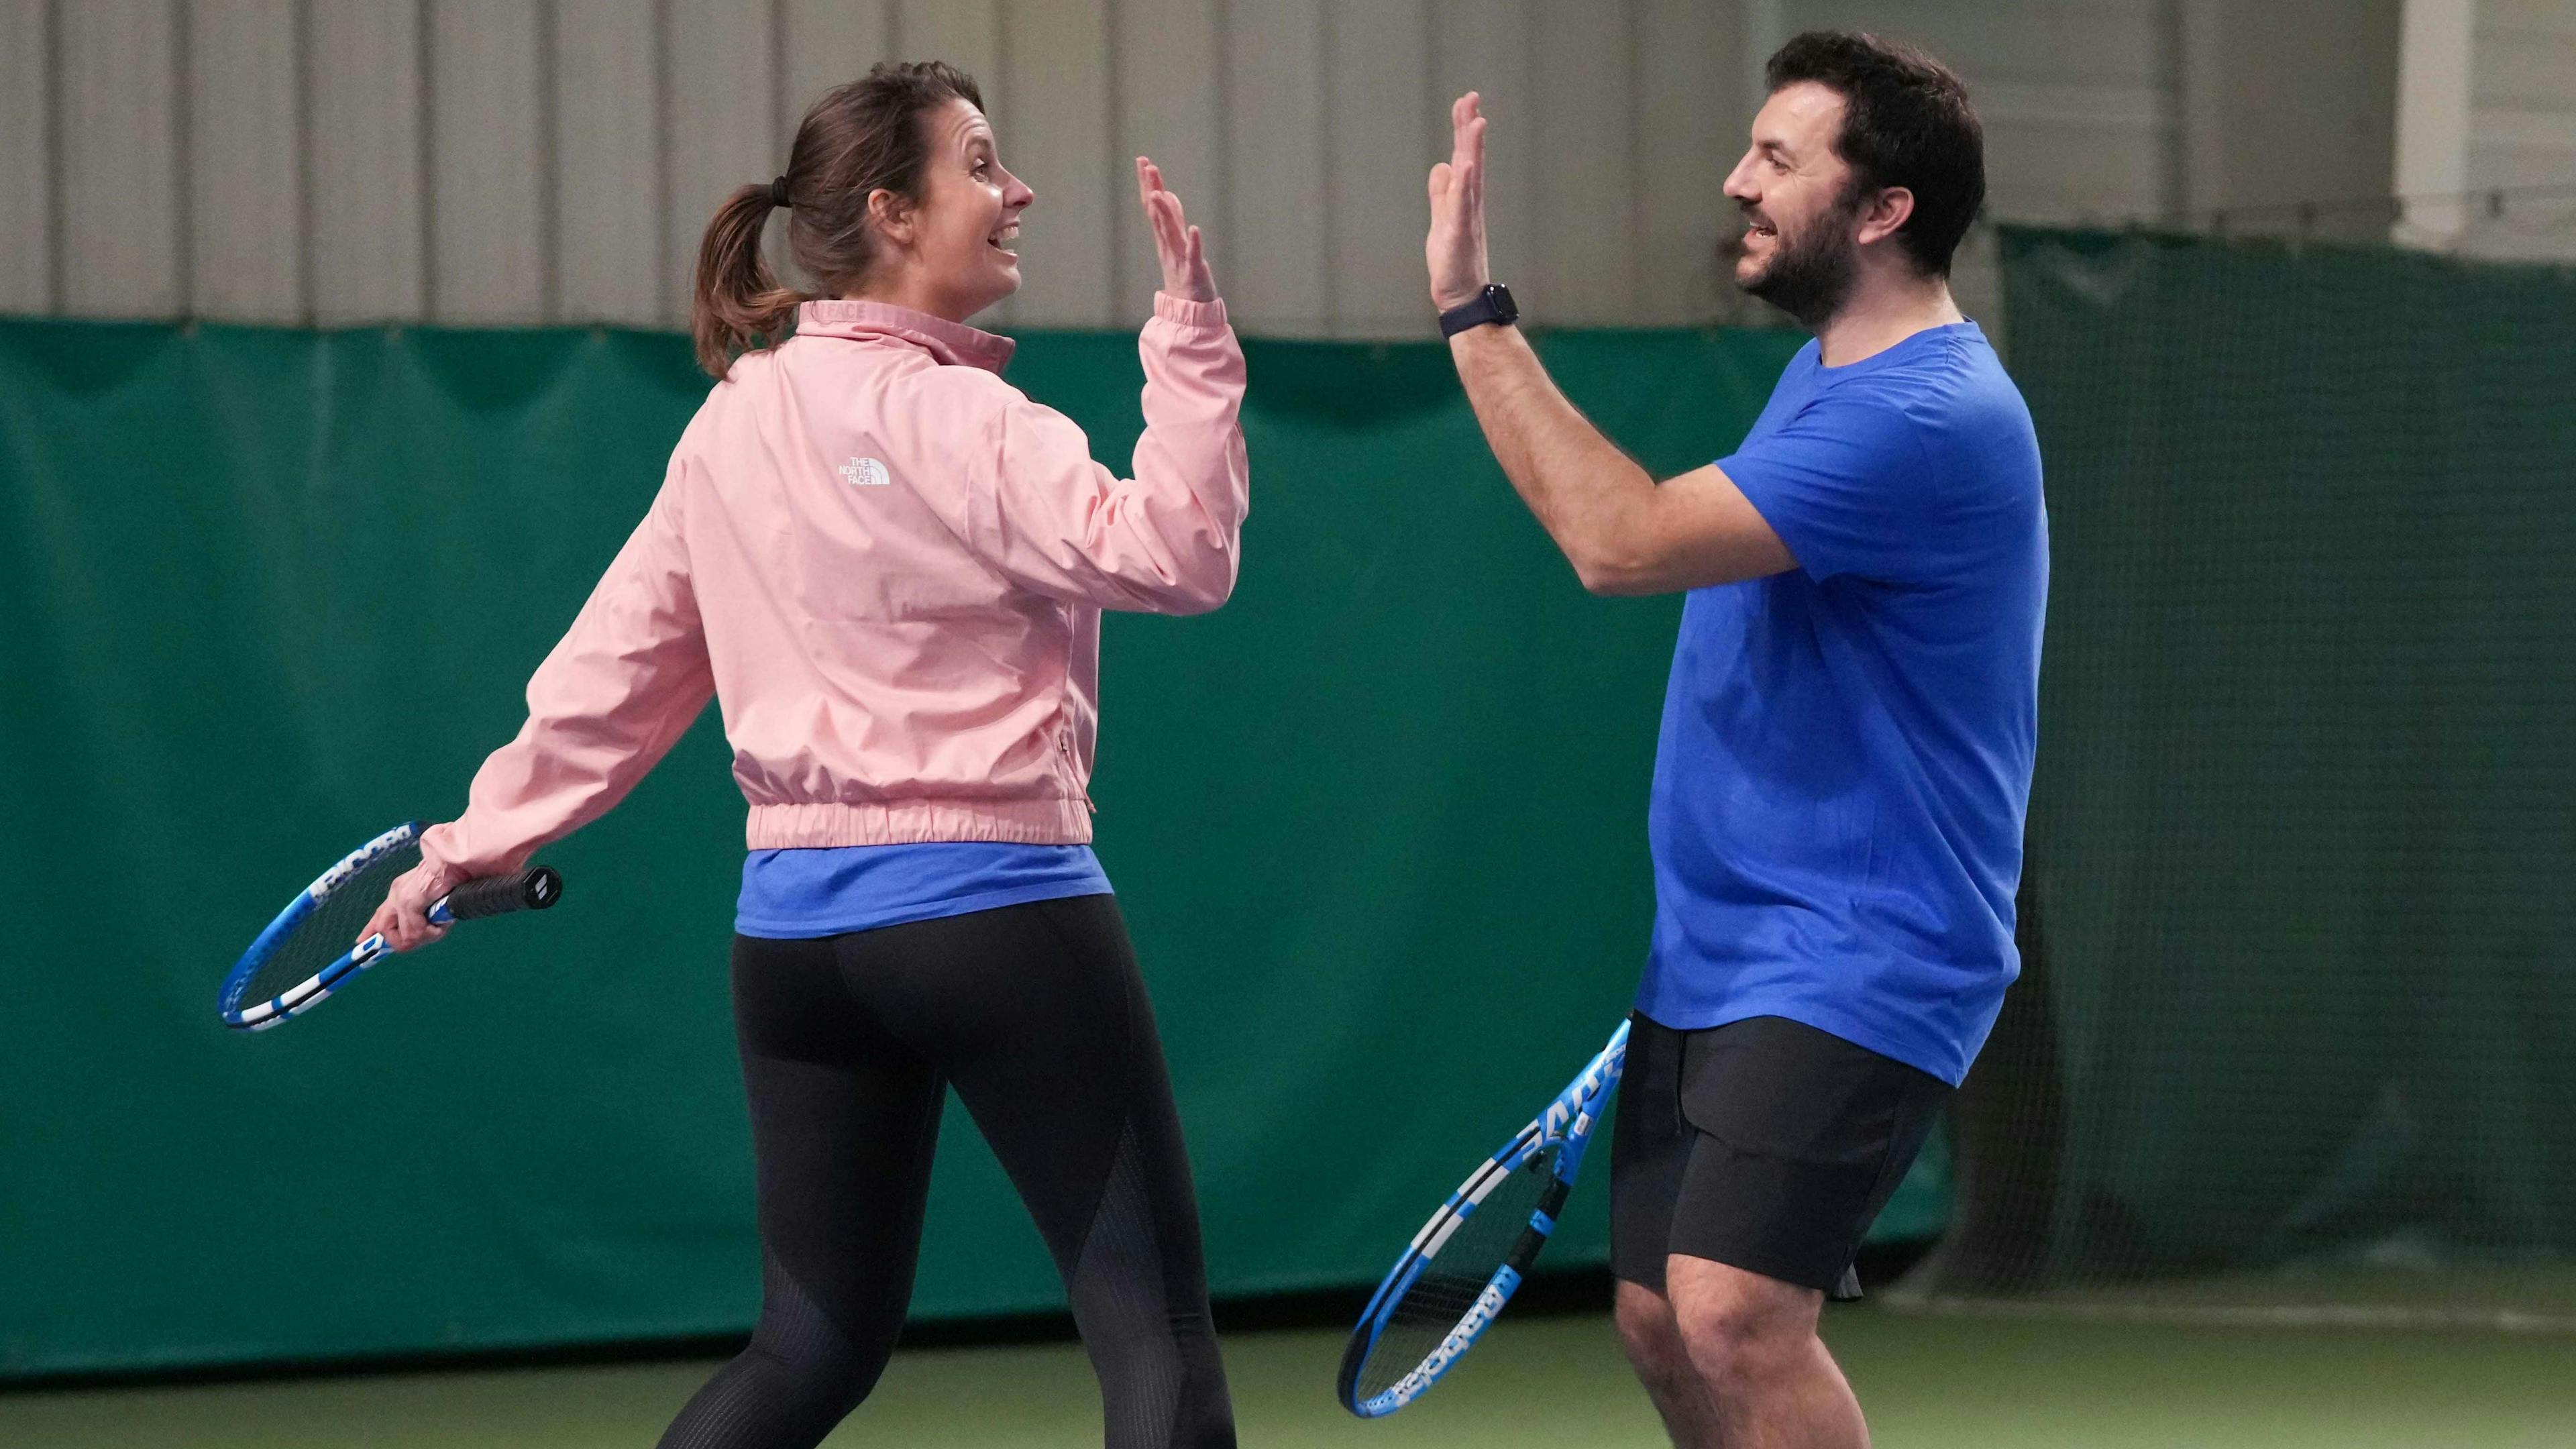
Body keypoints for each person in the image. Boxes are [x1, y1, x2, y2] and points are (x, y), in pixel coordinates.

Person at [361, 60, 1246, 1449]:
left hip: (795, 952)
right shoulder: (972, 420)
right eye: (981, 163)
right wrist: (1190, 344)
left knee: (809, 1348)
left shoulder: (734, 423)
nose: (1017, 192)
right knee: (1159, 1347)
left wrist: (467, 849)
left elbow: (615, 680)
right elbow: (1182, 556)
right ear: (892, 211)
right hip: (999, 915)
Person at [1423, 31, 2045, 1449]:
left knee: (1734, 1316)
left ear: (1882, 209)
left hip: (1864, 947)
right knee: (1658, 1324)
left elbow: (1621, 539)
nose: (1735, 182)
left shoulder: (1926, 413)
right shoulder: (1828, 375)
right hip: (1719, 945)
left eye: (1778, 159)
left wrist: (1473, 313)